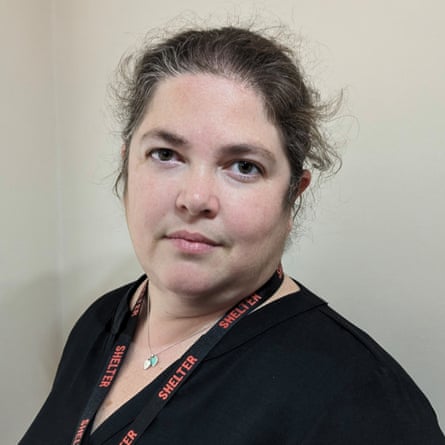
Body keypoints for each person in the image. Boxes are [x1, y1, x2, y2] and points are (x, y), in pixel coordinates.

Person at [20, 24, 444, 445]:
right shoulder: (98, 324)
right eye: (166, 154)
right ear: (127, 164)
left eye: (243, 166)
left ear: (292, 195)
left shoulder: (364, 402)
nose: (196, 198)